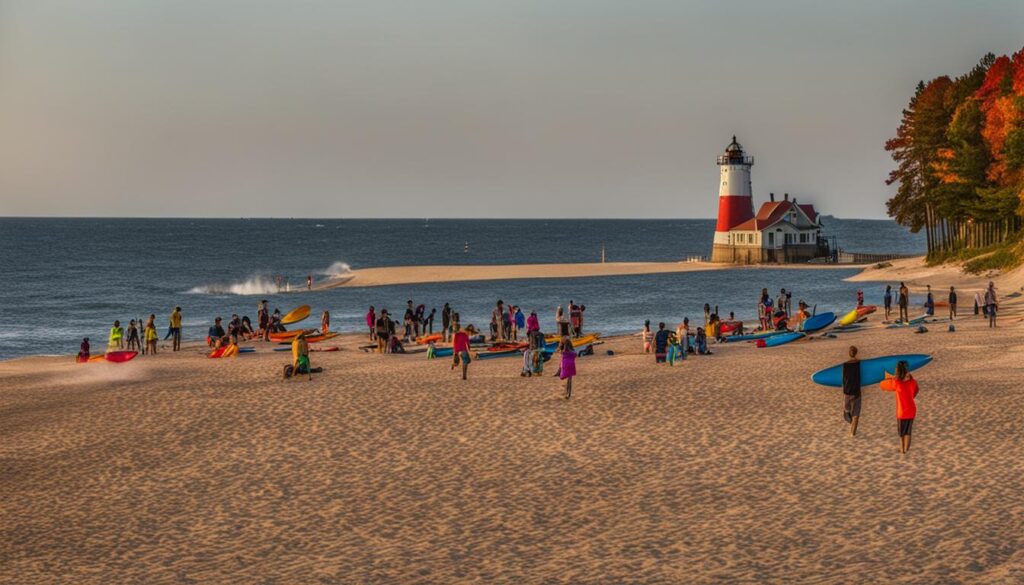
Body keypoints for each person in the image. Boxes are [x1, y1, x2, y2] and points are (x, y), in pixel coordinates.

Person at [879, 361, 920, 454]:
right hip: (911, 410)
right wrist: (910, 396)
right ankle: (905, 450)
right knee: (908, 432)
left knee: (901, 433)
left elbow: (883, 385)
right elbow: (916, 390)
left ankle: (902, 450)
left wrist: (886, 377)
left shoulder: (897, 383)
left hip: (901, 412)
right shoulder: (912, 382)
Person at [842, 346, 862, 436]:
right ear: (856, 353)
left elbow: (844, 379)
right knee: (856, 413)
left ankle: (847, 415)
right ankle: (852, 433)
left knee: (847, 410)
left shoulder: (845, 365)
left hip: (847, 391)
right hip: (856, 391)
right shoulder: (859, 363)